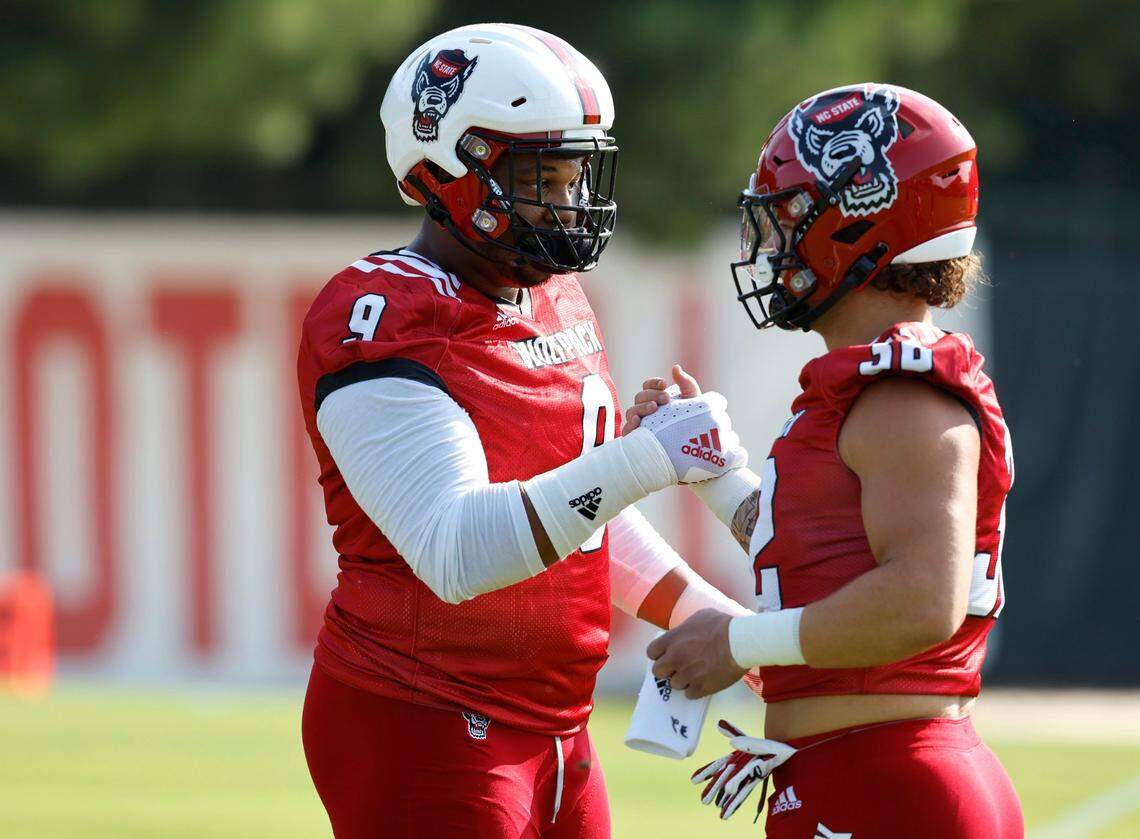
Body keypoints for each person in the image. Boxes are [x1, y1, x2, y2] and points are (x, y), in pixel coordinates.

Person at [296, 23, 756, 838]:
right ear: (451, 167)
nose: (571, 201)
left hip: (555, 724)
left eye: (576, 172)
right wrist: (645, 457)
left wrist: (717, 621)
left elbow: (585, 529)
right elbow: (458, 551)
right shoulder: (383, 317)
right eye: (543, 173)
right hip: (427, 711)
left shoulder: (552, 297)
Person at [629, 84, 1024, 837]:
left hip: (888, 781)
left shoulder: (903, 394)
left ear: (862, 219)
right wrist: (711, 468)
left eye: (788, 219)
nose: (773, 249)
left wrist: (736, 641)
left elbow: (918, 599)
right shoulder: (870, 384)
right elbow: (824, 557)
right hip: (858, 771)